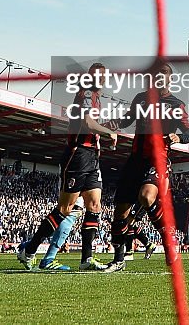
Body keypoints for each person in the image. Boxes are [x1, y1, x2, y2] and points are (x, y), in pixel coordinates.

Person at [18, 63, 117, 271]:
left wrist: (106, 130)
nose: (102, 80)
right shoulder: (86, 95)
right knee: (65, 209)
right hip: (78, 154)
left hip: (92, 157)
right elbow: (88, 123)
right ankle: (29, 250)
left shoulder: (97, 98)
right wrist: (108, 132)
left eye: (103, 77)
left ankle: (86, 260)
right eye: (98, 76)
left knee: (95, 205)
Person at [104, 60, 189, 273]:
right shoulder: (141, 99)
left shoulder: (176, 104)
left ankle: (168, 239)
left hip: (158, 159)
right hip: (135, 159)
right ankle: (119, 260)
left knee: (146, 197)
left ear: (170, 79)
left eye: (163, 75)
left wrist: (178, 137)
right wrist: (113, 123)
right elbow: (128, 120)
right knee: (120, 213)